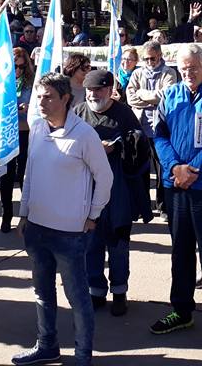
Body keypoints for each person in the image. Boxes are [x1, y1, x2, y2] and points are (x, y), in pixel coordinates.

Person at [14, 73, 112, 366]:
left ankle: (83, 355)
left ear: (65, 99)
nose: (41, 103)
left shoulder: (84, 135)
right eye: (39, 97)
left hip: (70, 233)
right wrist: (24, 214)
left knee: (77, 298)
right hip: (37, 229)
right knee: (42, 292)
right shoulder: (36, 129)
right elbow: (29, 173)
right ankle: (47, 346)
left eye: (48, 97)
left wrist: (93, 215)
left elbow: (105, 178)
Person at [149, 44, 202, 355]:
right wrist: (174, 167)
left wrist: (193, 169)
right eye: (183, 68)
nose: (188, 73)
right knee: (180, 252)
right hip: (176, 185)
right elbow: (158, 135)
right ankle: (182, 311)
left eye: (194, 67)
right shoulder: (169, 95)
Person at [73, 70, 141, 316]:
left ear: (110, 89)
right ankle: (96, 290)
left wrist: (118, 146)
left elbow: (139, 143)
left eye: (99, 90)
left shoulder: (124, 114)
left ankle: (120, 291)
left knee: (118, 242)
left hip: (118, 190)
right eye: (89, 90)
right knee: (91, 242)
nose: (93, 95)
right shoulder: (78, 113)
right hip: (86, 191)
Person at [126, 41, 178, 215]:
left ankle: (163, 206)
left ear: (160, 56)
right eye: (146, 59)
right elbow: (130, 97)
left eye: (152, 58)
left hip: (161, 128)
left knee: (163, 168)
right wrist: (152, 97)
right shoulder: (137, 73)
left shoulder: (169, 73)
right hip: (140, 127)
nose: (149, 62)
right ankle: (143, 206)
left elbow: (166, 96)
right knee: (141, 169)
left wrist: (142, 93)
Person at [0, 47, 35, 233]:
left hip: (25, 132)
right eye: (14, 66)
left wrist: (28, 106)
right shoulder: (2, 82)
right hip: (7, 133)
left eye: (21, 66)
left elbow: (38, 106)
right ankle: (6, 215)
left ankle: (25, 214)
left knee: (24, 175)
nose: (18, 70)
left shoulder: (30, 83)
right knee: (7, 175)